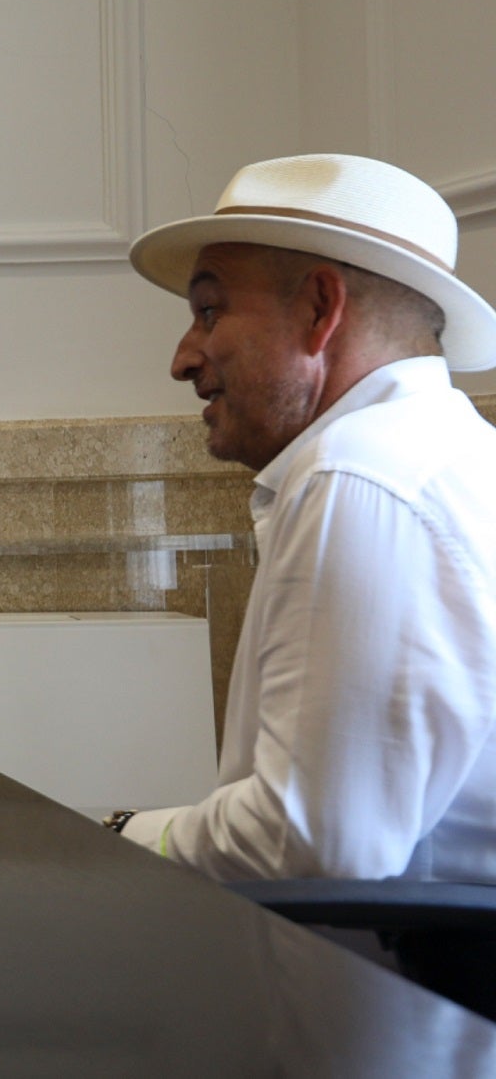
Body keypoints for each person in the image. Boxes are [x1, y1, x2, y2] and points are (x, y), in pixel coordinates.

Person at [108, 153, 496, 881]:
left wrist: (120, 836)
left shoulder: (362, 473)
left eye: (210, 311)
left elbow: (308, 845)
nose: (183, 358)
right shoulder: (445, 452)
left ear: (320, 310)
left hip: (406, 986)